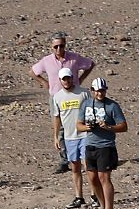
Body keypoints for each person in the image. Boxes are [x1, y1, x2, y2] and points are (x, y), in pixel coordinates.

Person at [30, 32, 95, 175]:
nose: (59, 49)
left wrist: (81, 79)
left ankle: (83, 157)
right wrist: (44, 82)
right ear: (51, 47)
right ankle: (65, 160)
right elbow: (33, 72)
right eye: (56, 46)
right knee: (59, 128)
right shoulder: (47, 61)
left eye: (61, 46)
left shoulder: (74, 58)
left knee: (79, 123)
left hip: (75, 96)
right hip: (56, 96)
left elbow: (90, 64)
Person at [76, 77, 128, 209]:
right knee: (92, 178)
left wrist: (109, 127)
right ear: (92, 91)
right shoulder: (86, 104)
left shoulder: (112, 106)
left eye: (102, 91)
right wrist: (87, 127)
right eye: (97, 91)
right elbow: (78, 125)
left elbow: (124, 126)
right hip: (90, 145)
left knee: (104, 178)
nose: (100, 93)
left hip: (106, 146)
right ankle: (102, 205)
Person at [53, 68, 94, 209]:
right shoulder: (57, 97)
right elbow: (57, 117)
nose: (66, 81)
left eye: (68, 78)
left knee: (88, 165)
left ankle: (94, 195)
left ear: (72, 78)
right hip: (69, 136)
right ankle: (79, 197)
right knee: (75, 167)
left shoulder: (83, 93)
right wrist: (56, 136)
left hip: (85, 135)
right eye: (63, 79)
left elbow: (91, 110)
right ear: (60, 80)